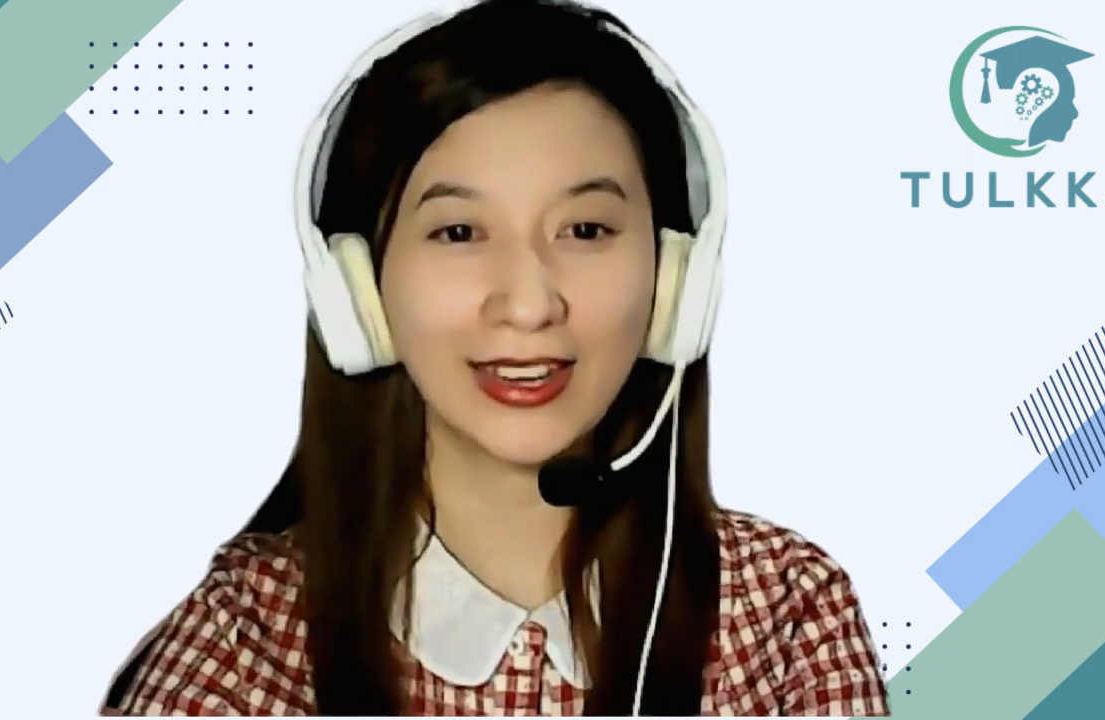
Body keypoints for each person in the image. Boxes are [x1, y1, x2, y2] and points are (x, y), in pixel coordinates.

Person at [108, 0, 888, 715]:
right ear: (357, 290)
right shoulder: (243, 639)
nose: (527, 303)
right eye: (458, 232)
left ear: (676, 280)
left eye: (586, 230)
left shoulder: (784, 614)